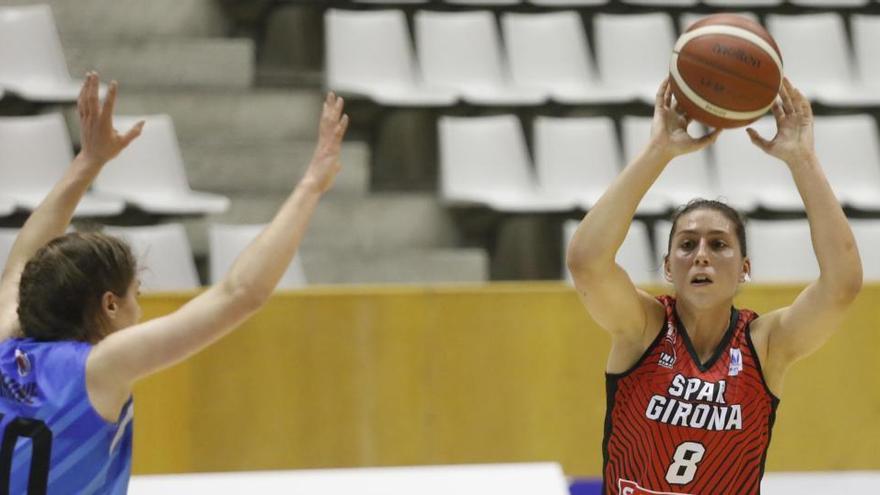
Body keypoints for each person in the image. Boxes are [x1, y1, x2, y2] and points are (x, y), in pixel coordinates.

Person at [0, 72, 349, 493]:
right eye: (135, 296)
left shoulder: (6, 340)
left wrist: (88, 161)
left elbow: (22, 258)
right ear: (109, 305)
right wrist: (311, 185)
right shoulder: (99, 368)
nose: (139, 311)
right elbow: (240, 295)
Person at [566, 78, 862, 495]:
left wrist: (802, 161)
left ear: (744, 269)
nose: (701, 254)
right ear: (668, 266)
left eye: (718, 244)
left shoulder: (765, 345)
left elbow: (842, 284)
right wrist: (658, 151)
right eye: (687, 245)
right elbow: (586, 263)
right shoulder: (644, 328)